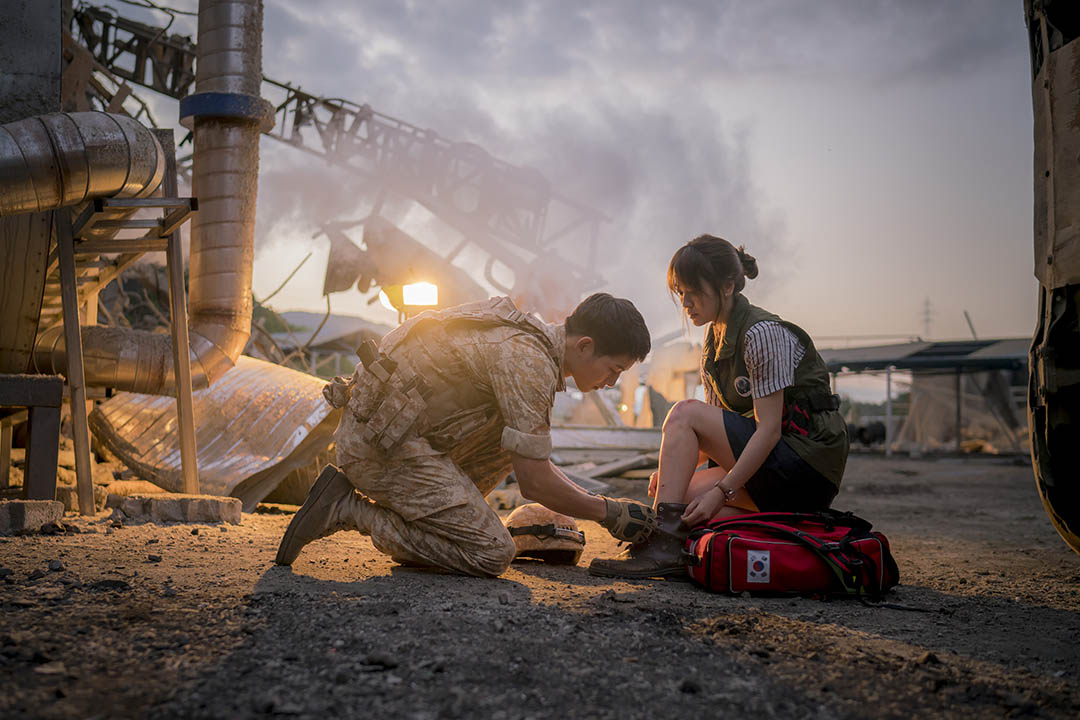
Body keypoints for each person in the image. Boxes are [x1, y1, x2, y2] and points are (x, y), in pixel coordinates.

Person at [275, 293, 657, 577]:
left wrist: (602, 504)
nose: (612, 383)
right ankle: (346, 508)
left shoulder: (530, 343)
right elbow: (535, 482)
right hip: (378, 448)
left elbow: (532, 462)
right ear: (585, 346)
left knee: (518, 440)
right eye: (614, 370)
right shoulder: (528, 361)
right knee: (490, 552)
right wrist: (608, 512)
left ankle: (429, 515)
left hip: (398, 437)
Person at [590, 234, 848, 578]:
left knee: (684, 412)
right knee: (684, 506)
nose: (685, 302)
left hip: (805, 467)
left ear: (727, 286)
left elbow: (768, 431)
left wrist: (722, 491)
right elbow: (714, 435)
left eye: (693, 291)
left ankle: (660, 546)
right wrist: (672, 472)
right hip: (774, 471)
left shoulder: (762, 333)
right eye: (680, 292)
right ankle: (670, 547)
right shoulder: (714, 343)